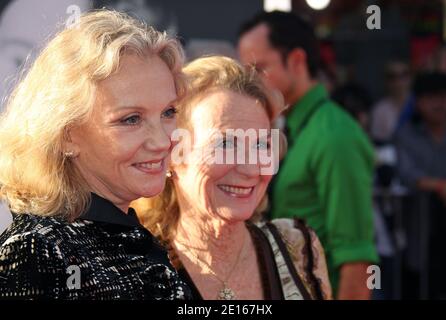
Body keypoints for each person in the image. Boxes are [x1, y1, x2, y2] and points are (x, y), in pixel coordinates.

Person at [0, 10, 191, 300]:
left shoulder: (122, 233)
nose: (164, 140)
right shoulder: (38, 252)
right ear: (66, 135)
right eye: (131, 119)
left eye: (168, 112)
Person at [133, 56, 332, 300]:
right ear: (173, 153)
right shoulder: (135, 268)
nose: (251, 169)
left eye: (261, 145)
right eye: (226, 143)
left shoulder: (299, 250)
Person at [238, 11, 378, 299]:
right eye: (246, 72)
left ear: (297, 61)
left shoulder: (335, 135)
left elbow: (356, 258)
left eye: (259, 68)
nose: (250, 83)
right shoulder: (292, 127)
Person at [395, 72, 446, 299]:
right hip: (420, 228)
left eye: (445, 97)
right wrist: (441, 186)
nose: (440, 104)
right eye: (432, 97)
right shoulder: (406, 134)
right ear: (418, 102)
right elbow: (406, 173)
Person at [370, 61, 412, 142]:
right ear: (386, 81)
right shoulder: (379, 109)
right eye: (392, 77)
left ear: (410, 77)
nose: (398, 81)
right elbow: (379, 142)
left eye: (403, 75)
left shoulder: (420, 104)